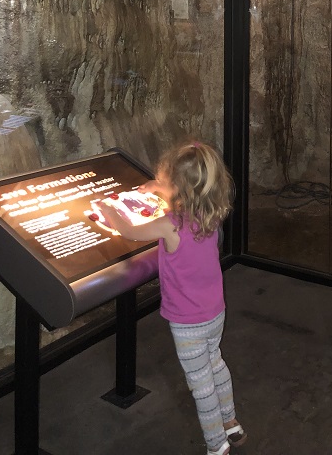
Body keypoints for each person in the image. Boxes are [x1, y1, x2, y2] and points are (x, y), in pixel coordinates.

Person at [99, 139, 246, 455]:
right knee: (216, 364)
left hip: (187, 321)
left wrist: (109, 210)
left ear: (178, 189)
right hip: (214, 312)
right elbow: (184, 196)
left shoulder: (170, 224)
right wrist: (159, 187)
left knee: (200, 383)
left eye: (164, 181)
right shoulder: (211, 212)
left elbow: (131, 232)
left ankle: (216, 443)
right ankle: (231, 423)